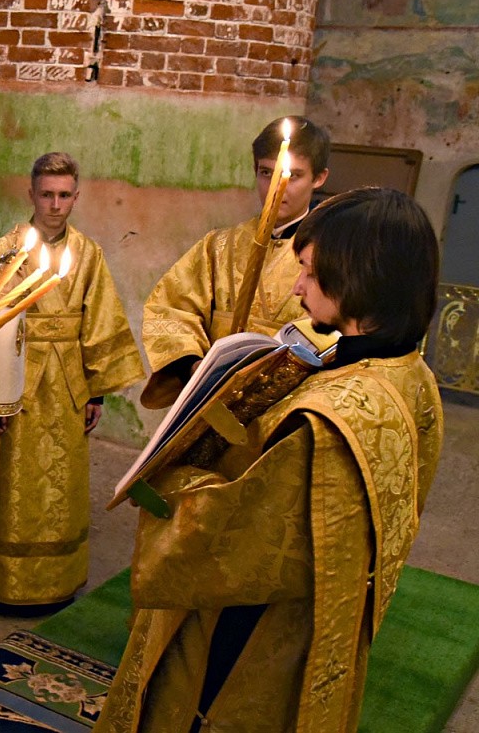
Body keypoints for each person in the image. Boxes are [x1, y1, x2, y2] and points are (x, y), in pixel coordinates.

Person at [95, 188, 444, 733]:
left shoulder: (332, 420)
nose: (297, 287)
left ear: (357, 277)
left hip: (253, 631)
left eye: (309, 272)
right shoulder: (410, 374)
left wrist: (170, 477)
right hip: (323, 610)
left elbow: (241, 541)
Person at [0, 151, 144, 611]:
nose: (55, 205)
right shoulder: (5, 250)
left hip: (67, 386)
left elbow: (100, 319)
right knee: (9, 484)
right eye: (46, 194)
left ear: (76, 197)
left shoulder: (88, 254)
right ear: (31, 194)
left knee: (58, 488)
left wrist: (97, 392)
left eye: (64, 195)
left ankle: (55, 581)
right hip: (15, 381)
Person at [140, 116, 330, 407]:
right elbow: (171, 308)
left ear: (319, 178)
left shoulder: (331, 256)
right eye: (266, 172)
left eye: (292, 175)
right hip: (212, 398)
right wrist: (196, 367)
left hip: (287, 407)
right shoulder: (219, 246)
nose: (276, 186)